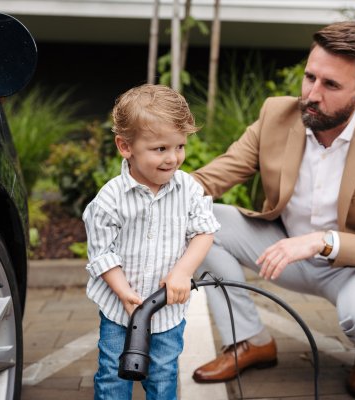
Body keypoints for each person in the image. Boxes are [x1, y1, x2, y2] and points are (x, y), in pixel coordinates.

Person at [190, 21, 355, 399]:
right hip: (283, 251)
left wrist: (324, 241)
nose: (311, 95)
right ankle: (250, 340)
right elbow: (212, 177)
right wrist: (144, 192)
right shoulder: (276, 115)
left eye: (330, 85)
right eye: (309, 77)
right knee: (196, 219)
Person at [84, 84, 220, 400]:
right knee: (112, 376)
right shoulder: (109, 199)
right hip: (120, 311)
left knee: (162, 377)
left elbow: (204, 232)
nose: (173, 158)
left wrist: (182, 272)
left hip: (167, 313)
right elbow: (102, 254)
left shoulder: (189, 190)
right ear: (125, 146)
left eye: (180, 146)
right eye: (160, 149)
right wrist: (124, 293)